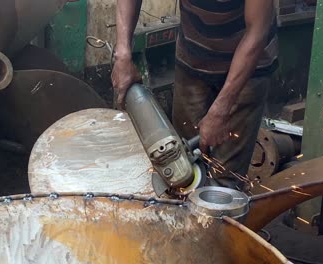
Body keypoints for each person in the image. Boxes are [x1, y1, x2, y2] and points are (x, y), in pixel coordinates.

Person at [111, 0, 277, 190]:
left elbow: (257, 33)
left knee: (223, 181)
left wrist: (221, 110)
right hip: (193, 57)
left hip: (248, 70)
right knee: (179, 165)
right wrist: (123, 54)